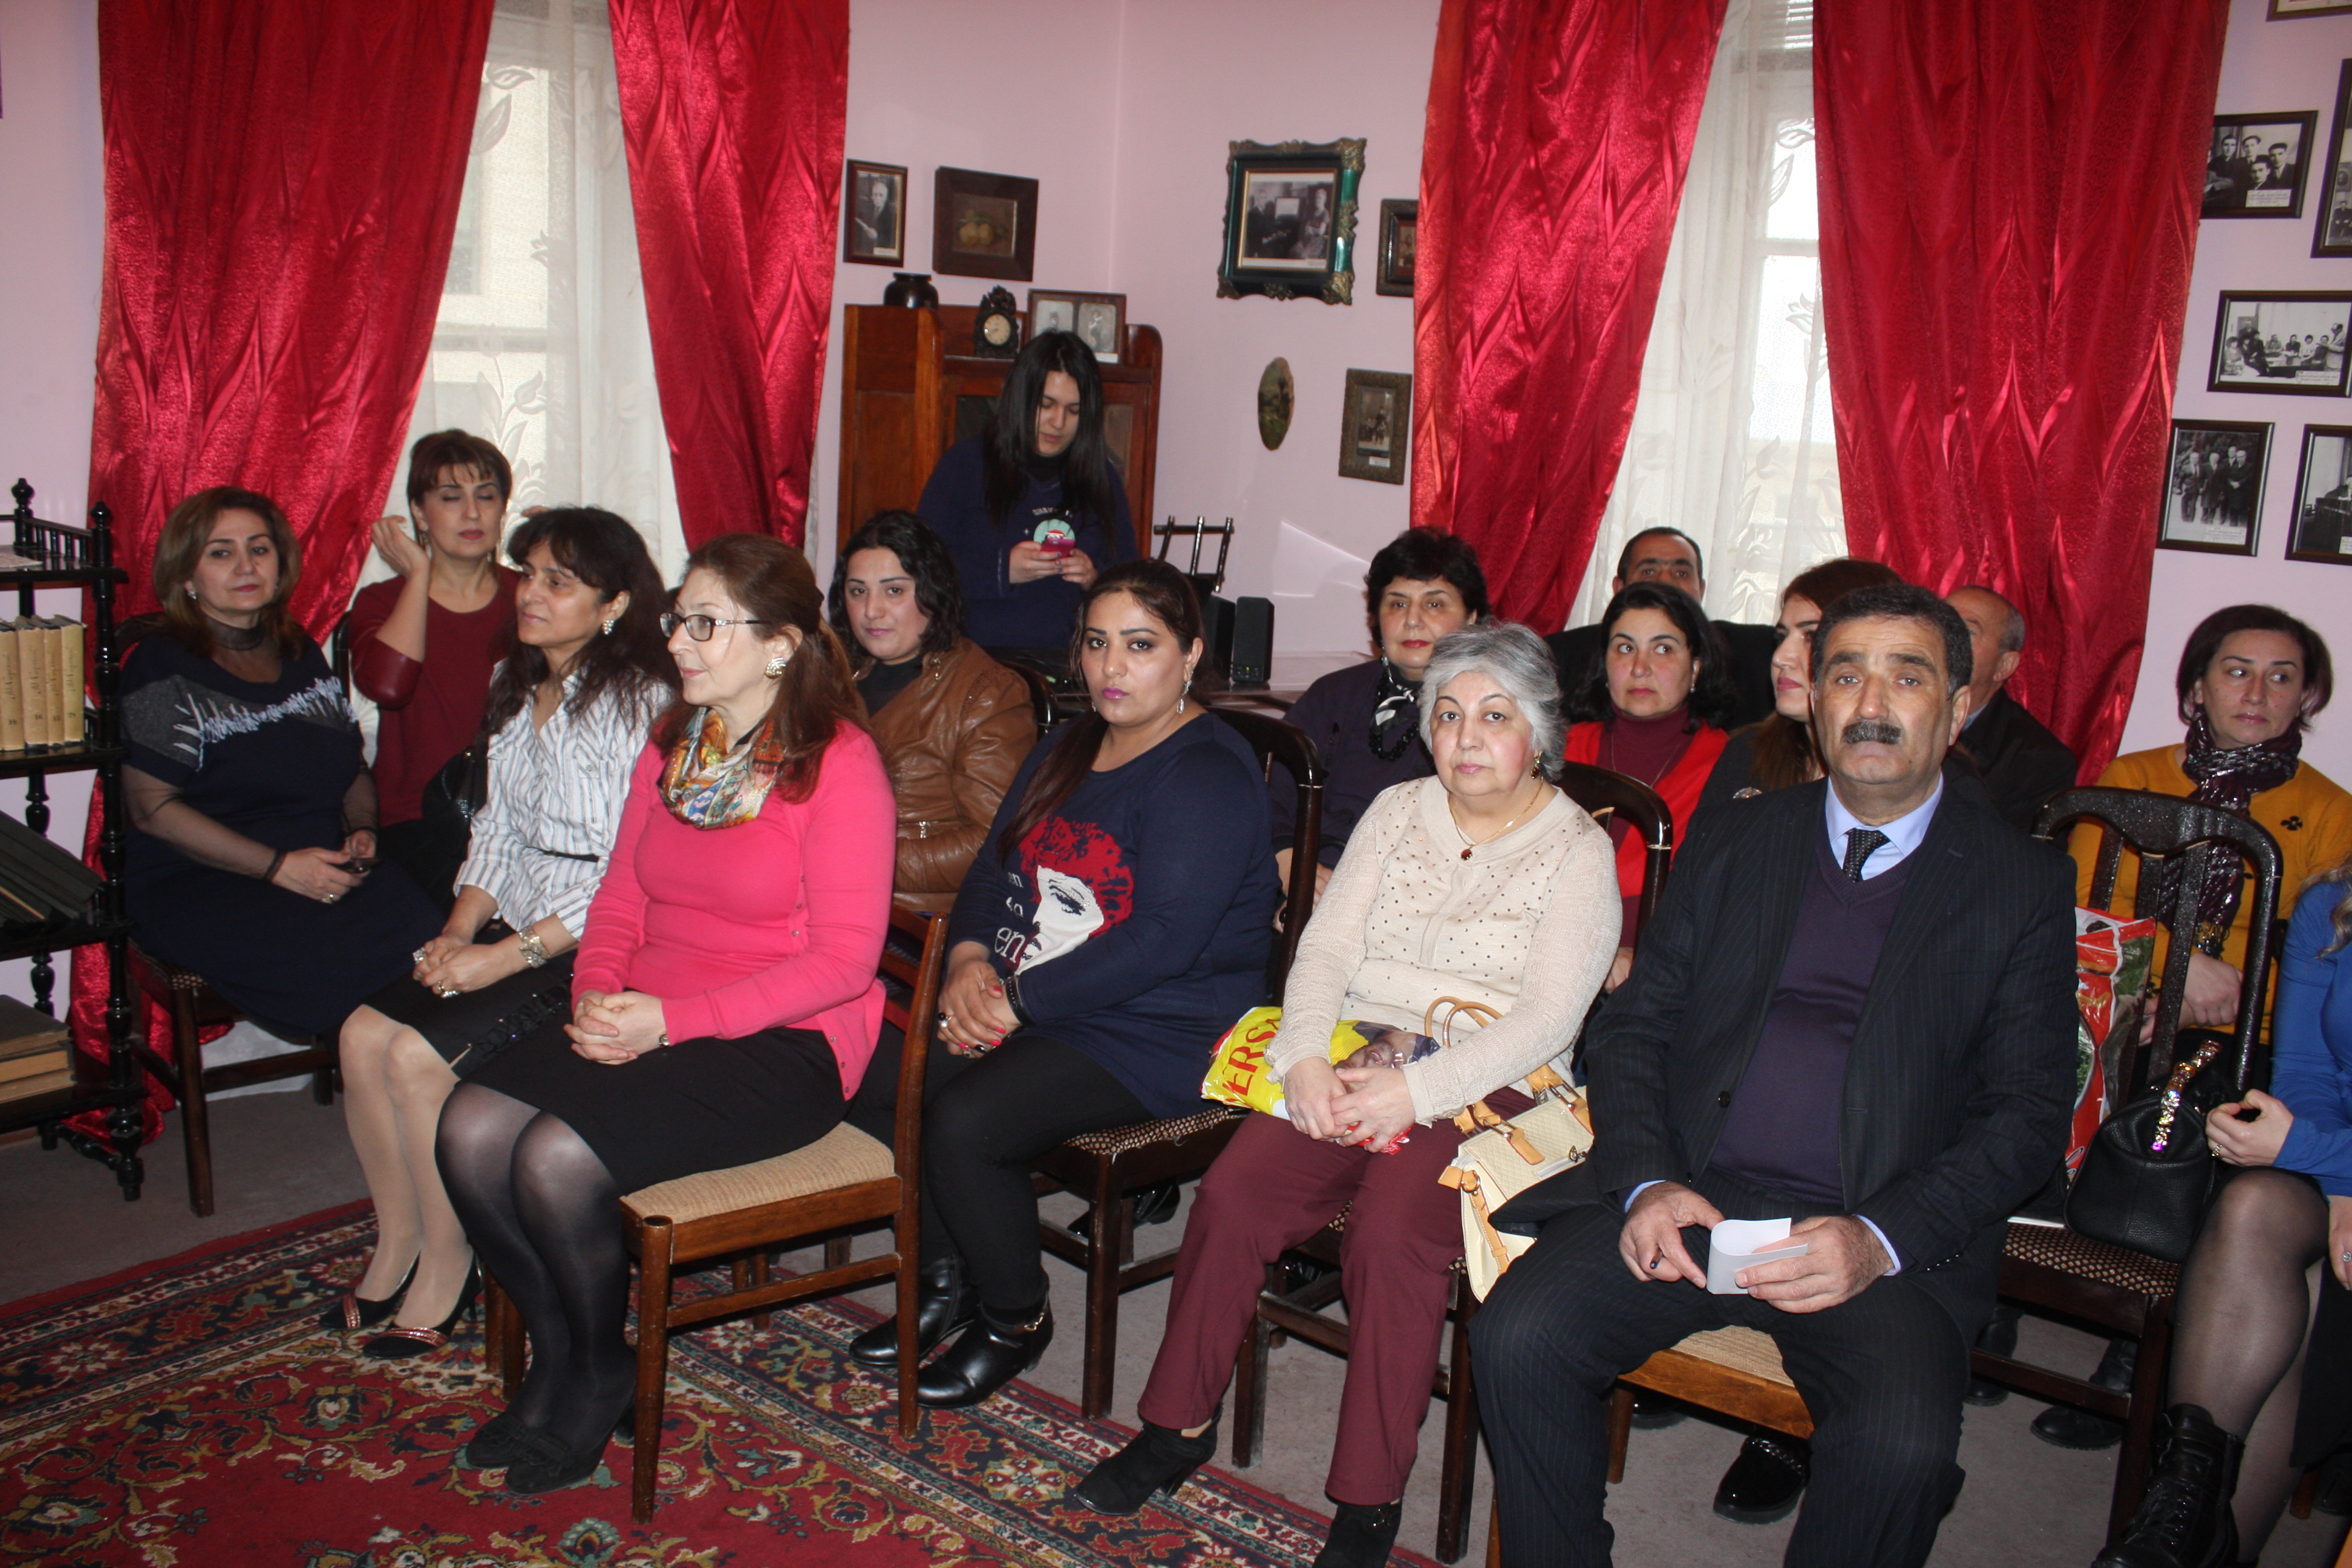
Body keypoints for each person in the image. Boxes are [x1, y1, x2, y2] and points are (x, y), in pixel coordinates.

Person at [1470, 583, 2079, 1568]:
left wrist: (1879, 1237)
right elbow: (1635, 1028)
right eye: (1846, 675)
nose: (1870, 702)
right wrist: (1649, 1181)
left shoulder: (2018, 881)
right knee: (1518, 1335)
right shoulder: (1740, 835)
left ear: (1958, 707)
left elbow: (2027, 1113)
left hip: (1873, 1229)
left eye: (1906, 677)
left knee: (1901, 1447)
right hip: (1697, 1197)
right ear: (1814, 699)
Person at [1068, 622, 1619, 1568]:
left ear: (1540, 731)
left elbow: (1547, 1022)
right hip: (1356, 1053)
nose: (1467, 737)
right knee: (1235, 1194)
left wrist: (1416, 1092)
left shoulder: (1579, 850)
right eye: (1448, 715)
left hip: (1492, 1081)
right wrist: (1303, 1061)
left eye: (1495, 717)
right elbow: (1324, 946)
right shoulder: (1399, 809)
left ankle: (1369, 1496)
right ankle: (1175, 1426)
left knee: (1393, 1233)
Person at [432, 534, 894, 1495]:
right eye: (679, 619)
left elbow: (844, 963)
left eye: (704, 624)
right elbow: (621, 898)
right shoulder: (674, 743)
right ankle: (567, 1353)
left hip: (786, 1040)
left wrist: (672, 1023)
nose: (677, 641)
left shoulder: (839, 765)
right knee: (469, 1125)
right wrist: (596, 995)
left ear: (780, 645)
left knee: (554, 1157)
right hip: (647, 1007)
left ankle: (598, 1373)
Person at [843, 560, 1279, 1409]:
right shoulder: (1068, 744)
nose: (1113, 667)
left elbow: (1162, 943)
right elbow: (991, 867)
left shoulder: (1207, 776)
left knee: (966, 1121)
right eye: (1097, 643)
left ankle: (1016, 1316)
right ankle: (948, 1280)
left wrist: (1014, 1001)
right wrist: (970, 961)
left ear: (1191, 655)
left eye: (1141, 646)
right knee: (884, 1072)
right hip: (1039, 993)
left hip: (1159, 1027)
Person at [326, 509, 675, 1359]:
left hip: (604, 942)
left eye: (560, 581)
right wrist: (456, 933)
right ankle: (400, 1241)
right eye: (531, 575)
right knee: (360, 1034)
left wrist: (504, 957)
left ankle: (454, 1263)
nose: (531, 594)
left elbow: (628, 870)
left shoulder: (643, 702)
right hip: (515, 920)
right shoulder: (511, 680)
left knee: (415, 1059)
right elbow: (495, 830)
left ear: (613, 605)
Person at [2040, 605, 2352, 1453]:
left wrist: (2208, 994)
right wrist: (2170, 972)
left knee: (2191, 1090)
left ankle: (2140, 1337)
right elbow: (2075, 910)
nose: (2257, 692)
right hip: (2115, 993)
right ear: (2196, 688)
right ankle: (1992, 1283)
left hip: (2244, 1028)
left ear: (2306, 697)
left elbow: (2322, 962)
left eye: (2282, 677)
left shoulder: (2330, 811)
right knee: (2038, 1047)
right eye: (2236, 670)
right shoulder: (2131, 778)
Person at [2091, 854, 2352, 1568]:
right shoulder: (2335, 901)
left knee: (2316, 1296)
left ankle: (2190, 1531)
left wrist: (2320, 1158)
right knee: (2253, 1211)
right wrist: (2341, 1187)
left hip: (2332, 1154)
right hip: (2336, 1155)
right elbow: (2305, 1073)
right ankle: (2186, 1508)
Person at [122, 488, 442, 1039]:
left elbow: (350, 768)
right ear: (187, 575)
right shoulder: (160, 666)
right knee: (333, 974)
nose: (246, 566)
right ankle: (379, 1066)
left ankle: (407, 1072)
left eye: (259, 549)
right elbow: (152, 810)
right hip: (203, 877)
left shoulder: (299, 652)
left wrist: (363, 830)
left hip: (321, 862)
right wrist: (277, 868)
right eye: (221, 553)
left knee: (432, 940)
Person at [827, 509, 1037, 913]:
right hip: (819, 899)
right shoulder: (832, 677)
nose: (871, 610)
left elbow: (993, 841)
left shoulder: (988, 693)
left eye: (894, 591)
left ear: (932, 591)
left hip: (913, 922)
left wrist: (857, 861)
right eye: (857, 591)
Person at [350, 430, 522, 909]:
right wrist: (419, 575)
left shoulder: (528, 596)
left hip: (519, 816)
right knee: (481, 913)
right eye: (450, 497)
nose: (472, 513)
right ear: (420, 514)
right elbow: (388, 688)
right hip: (416, 818)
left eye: (486, 496)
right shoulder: (382, 601)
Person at [1272, 528, 1491, 900]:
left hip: (1415, 899)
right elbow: (1270, 788)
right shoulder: (1333, 693)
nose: (1413, 620)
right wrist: (1287, 861)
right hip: (1302, 877)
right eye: (1397, 604)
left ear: (1471, 617)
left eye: (1435, 604)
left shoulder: (1490, 714)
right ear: (1376, 616)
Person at [916, 330, 1139, 665]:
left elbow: (1131, 582)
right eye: (1045, 405)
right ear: (1020, 398)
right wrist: (1002, 570)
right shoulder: (965, 465)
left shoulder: (1101, 477)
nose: (1058, 422)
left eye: (1074, 411)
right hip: (974, 663)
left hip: (1073, 663)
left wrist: (1095, 579)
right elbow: (920, 571)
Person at [1563, 582, 1736, 992]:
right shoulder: (1558, 750)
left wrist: (1637, 954)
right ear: (1605, 664)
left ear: (1696, 668)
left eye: (1663, 649)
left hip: (1663, 978)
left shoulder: (1730, 765)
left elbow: (1721, 909)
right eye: (1625, 648)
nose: (1640, 667)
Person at [1693, 557, 1903, 820]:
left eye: (1811, 636)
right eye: (1782, 637)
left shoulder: (1902, 768)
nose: (1781, 657)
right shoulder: (1747, 753)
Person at [1546, 528, 1780, 728]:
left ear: (1701, 589)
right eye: (1649, 571)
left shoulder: (1758, 652)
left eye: (1682, 573)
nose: (1667, 582)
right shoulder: (1562, 656)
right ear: (1620, 588)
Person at [1944, 585, 2077, 833]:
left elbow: (2013, 854)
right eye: (1941, 623)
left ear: (2004, 665)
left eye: (1968, 631)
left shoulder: (2039, 760)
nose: (1946, 638)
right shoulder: (1884, 713)